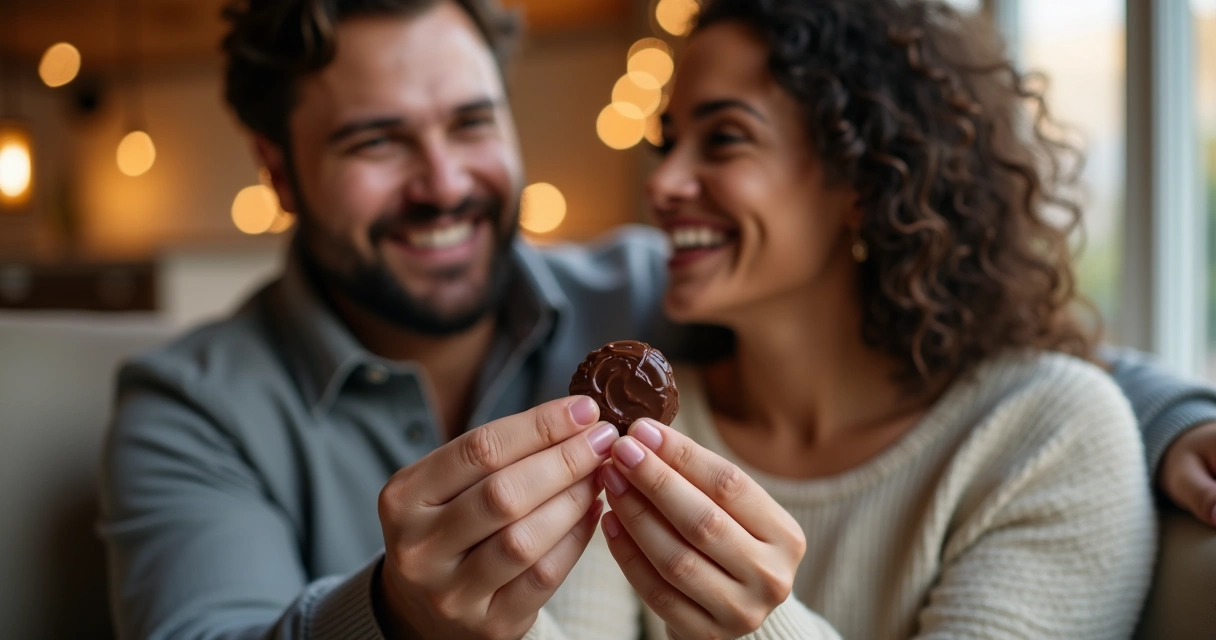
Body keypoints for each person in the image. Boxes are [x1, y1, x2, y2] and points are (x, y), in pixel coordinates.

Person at [97, 0, 1216, 638]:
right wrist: (394, 614)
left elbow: (1007, 373)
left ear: (867, 174)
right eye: (376, 141)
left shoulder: (650, 307)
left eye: (472, 123)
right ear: (276, 169)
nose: (443, 183)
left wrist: (1178, 418)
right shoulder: (191, 405)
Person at [560, 0, 1165, 637]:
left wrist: (762, 628)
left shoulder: (1047, 432)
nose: (662, 184)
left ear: (864, 179)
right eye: (669, 143)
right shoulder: (630, 429)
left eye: (725, 139)